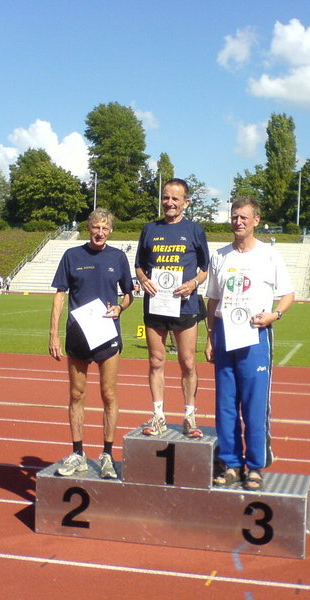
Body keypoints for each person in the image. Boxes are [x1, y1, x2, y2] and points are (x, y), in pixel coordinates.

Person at [204, 197, 294, 490]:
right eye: (234, 216)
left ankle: (254, 466)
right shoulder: (220, 256)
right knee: (225, 404)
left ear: (256, 220)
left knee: (254, 405)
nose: (238, 221)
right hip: (224, 335)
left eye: (244, 217)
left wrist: (274, 315)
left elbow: (288, 294)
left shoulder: (269, 255)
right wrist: (209, 336)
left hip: (255, 336)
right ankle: (230, 464)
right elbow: (213, 299)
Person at [49, 208, 134, 479]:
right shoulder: (72, 256)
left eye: (105, 228)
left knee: (109, 394)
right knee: (76, 395)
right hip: (78, 334)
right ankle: (78, 453)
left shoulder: (118, 257)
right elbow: (60, 295)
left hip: (107, 335)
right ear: (89, 227)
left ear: (110, 231)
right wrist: (53, 333)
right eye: (96, 227)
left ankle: (107, 454)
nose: (100, 233)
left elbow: (130, 295)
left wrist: (120, 308)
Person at [134, 178, 210, 438]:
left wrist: (192, 284)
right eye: (166, 197)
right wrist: (144, 280)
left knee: (187, 362)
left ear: (186, 202)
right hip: (156, 305)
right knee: (156, 360)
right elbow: (139, 266)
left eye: (176, 198)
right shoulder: (149, 229)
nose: (170, 202)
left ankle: (189, 416)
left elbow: (205, 269)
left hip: (185, 306)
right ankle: (158, 416)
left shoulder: (195, 230)